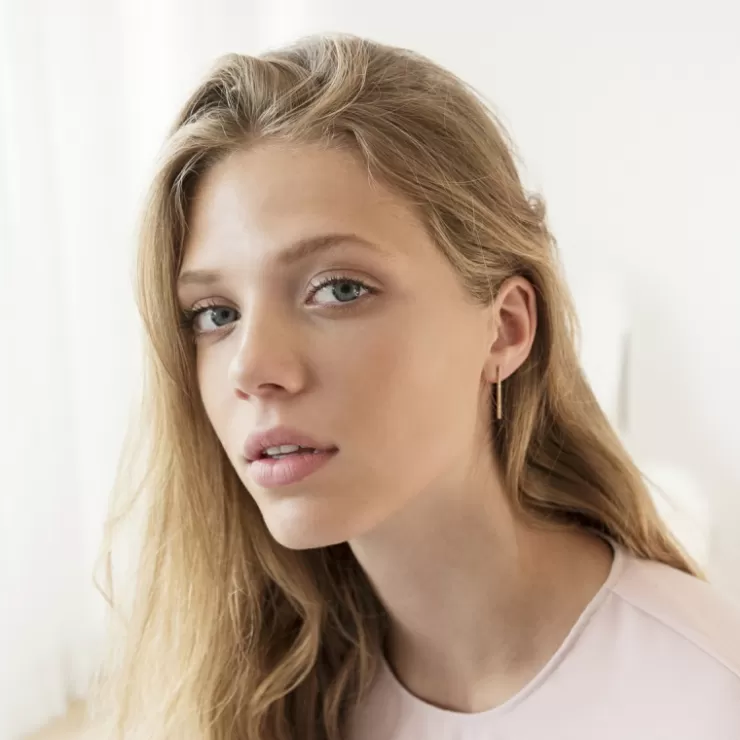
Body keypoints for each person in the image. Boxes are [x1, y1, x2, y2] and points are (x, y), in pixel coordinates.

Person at [93, 33, 740, 740]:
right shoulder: (254, 691)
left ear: (505, 330)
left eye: (339, 289)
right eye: (215, 314)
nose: (251, 369)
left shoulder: (704, 695)